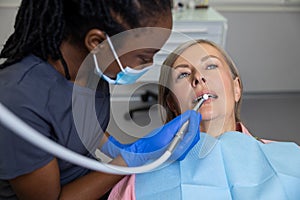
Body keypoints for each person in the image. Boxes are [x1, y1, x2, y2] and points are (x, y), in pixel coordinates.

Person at [0, 1, 202, 199]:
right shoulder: (19, 102)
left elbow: (75, 123)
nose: (149, 64)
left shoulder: (93, 67)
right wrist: (131, 158)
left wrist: (115, 147)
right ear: (97, 43)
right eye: (144, 56)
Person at [106, 39, 300, 199]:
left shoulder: (291, 159)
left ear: (236, 88)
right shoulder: (137, 181)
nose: (198, 77)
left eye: (211, 66)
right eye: (183, 74)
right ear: (172, 104)